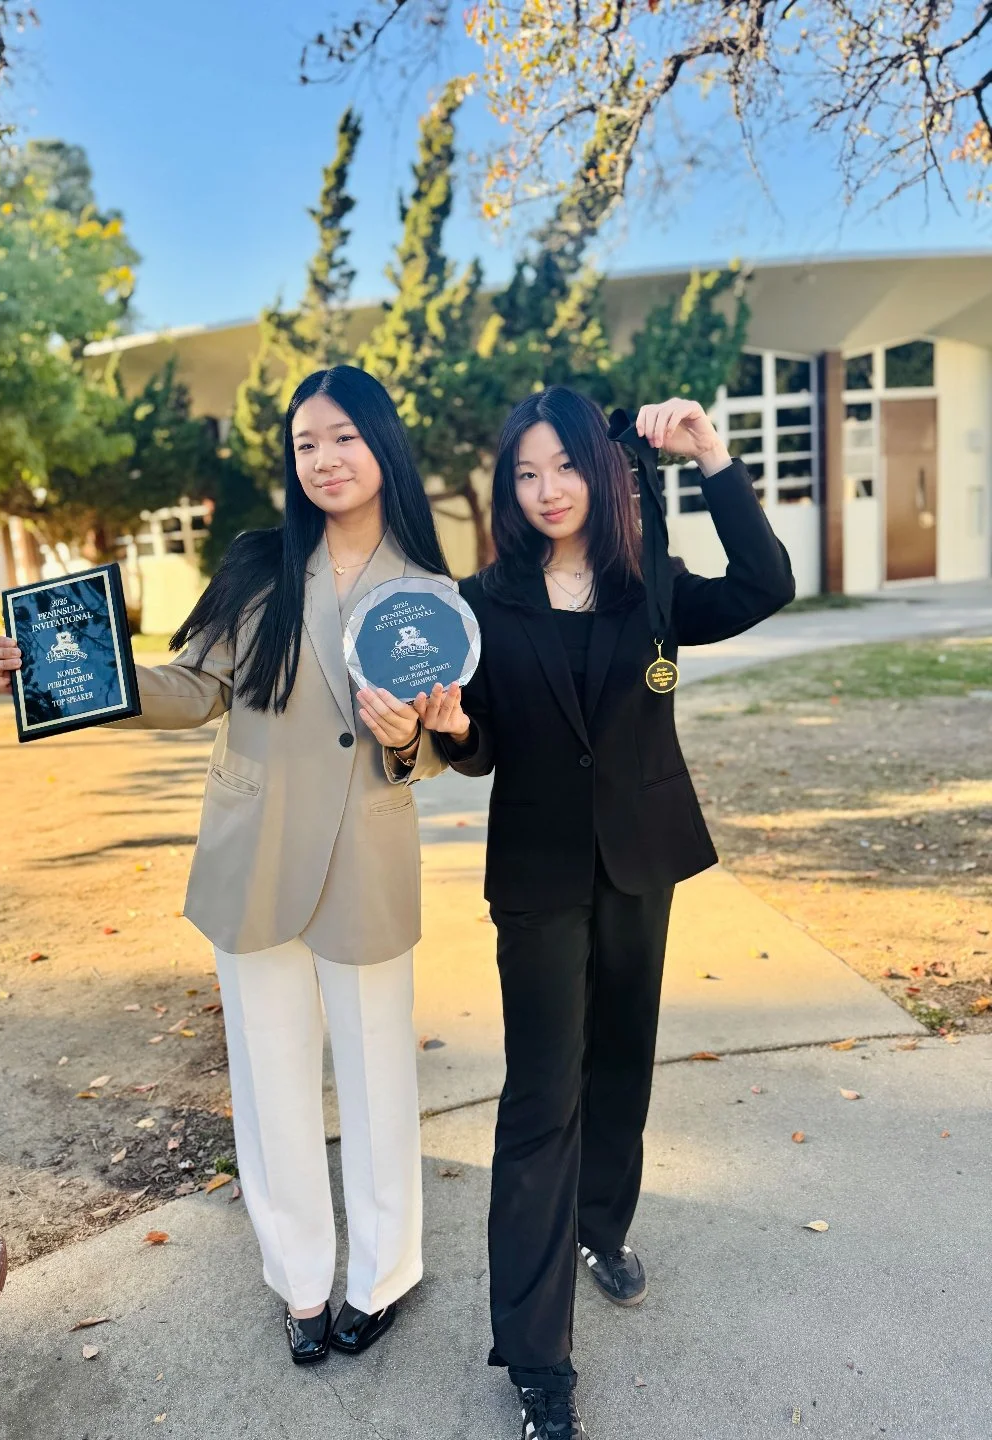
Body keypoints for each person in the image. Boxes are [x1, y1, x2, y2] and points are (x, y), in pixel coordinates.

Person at [0, 365, 466, 1367]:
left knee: (378, 1084)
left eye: (344, 438)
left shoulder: (431, 589)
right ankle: (299, 1282)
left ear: (383, 447)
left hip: (366, 859)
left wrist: (416, 736)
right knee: (271, 1082)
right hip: (255, 862)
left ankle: (380, 1278)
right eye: (305, 444)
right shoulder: (257, 565)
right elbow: (192, 688)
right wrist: (63, 670)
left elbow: (435, 745)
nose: (325, 459)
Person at [418, 387, 796, 1439]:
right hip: (538, 878)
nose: (547, 491)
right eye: (526, 473)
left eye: (565, 468)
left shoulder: (651, 585)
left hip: (642, 862)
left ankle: (602, 1226)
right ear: (508, 487)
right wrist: (451, 727)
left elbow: (770, 582)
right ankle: (538, 1358)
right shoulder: (479, 602)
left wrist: (713, 456)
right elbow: (479, 743)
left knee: (623, 1060)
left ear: (604, 470)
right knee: (541, 1098)